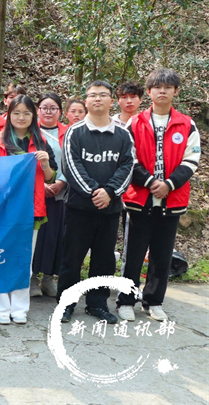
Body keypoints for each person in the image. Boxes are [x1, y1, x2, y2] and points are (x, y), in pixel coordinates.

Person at [117, 69, 200, 322]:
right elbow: (128, 159)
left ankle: (153, 301)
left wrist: (169, 184)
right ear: (149, 92)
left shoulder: (187, 124)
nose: (162, 91)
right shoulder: (135, 122)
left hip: (172, 199)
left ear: (176, 91)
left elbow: (191, 159)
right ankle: (126, 301)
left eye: (167, 87)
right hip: (139, 198)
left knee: (162, 255)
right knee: (133, 254)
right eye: (157, 87)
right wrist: (151, 182)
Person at [57, 80, 135, 324]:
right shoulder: (74, 132)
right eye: (93, 95)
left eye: (103, 95)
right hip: (79, 208)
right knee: (72, 259)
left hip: (110, 210)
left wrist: (109, 192)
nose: (98, 99)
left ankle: (97, 304)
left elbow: (127, 166)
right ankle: (66, 304)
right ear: (86, 100)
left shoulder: (123, 134)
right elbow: (71, 166)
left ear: (111, 101)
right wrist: (94, 192)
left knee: (104, 261)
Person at [0, 94, 56, 324]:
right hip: (3, 211)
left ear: (33, 116)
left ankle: (19, 308)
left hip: (31, 209)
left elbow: (50, 176)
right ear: (8, 115)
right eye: (16, 113)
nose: (21, 117)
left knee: (23, 259)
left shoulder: (41, 141)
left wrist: (45, 164)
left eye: (27, 113)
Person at [31, 93, 68, 298]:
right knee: (37, 235)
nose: (48, 111)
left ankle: (48, 277)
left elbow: (72, 160)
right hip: (35, 192)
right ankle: (31, 278)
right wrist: (42, 184)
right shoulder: (30, 131)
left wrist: (61, 182)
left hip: (59, 192)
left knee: (54, 235)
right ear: (37, 111)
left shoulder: (68, 132)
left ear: (60, 112)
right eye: (44, 107)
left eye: (53, 108)